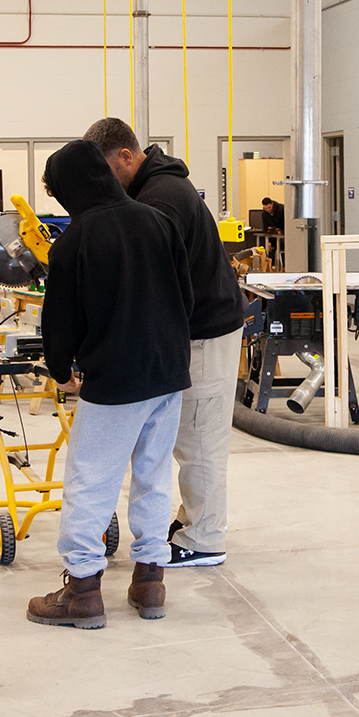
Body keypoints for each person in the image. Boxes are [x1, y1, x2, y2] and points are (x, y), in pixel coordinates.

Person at [27, 139, 193, 628]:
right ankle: (149, 581)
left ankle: (81, 591)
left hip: (117, 379)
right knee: (154, 474)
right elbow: (184, 297)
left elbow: (60, 318)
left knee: (90, 480)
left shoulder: (77, 238)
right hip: (167, 375)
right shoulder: (157, 221)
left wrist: (60, 368)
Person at [84, 119, 247, 567]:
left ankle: (205, 539)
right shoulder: (156, 191)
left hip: (205, 334)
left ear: (126, 156)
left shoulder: (161, 199)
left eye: (106, 170)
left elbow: (154, 281)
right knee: (188, 438)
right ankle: (193, 519)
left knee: (199, 440)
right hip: (197, 330)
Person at [260, 196, 285, 265]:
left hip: (284, 231)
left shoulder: (281, 209)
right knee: (269, 248)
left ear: (272, 204)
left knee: (282, 245)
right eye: (266, 208)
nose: (268, 210)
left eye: (269, 207)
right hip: (274, 234)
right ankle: (272, 265)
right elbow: (265, 228)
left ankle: (284, 265)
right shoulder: (264, 214)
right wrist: (268, 241)